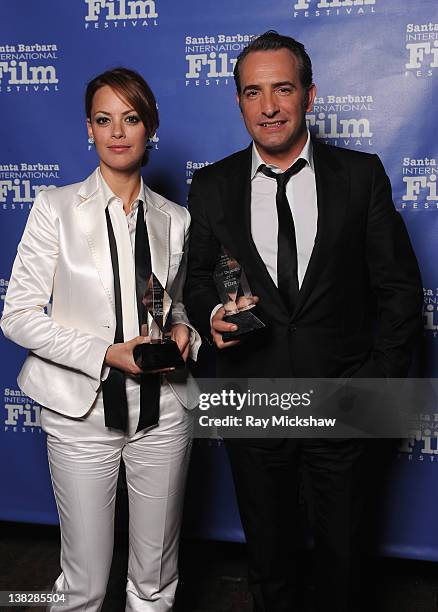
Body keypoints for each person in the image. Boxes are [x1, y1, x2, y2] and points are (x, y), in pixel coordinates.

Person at [184, 31, 423, 612]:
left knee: (344, 559)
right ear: (239, 102)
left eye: (282, 89)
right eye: (253, 92)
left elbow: (400, 292)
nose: (268, 106)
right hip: (249, 397)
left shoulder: (361, 175)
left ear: (310, 95)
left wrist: (373, 385)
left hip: (343, 396)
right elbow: (195, 282)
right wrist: (212, 314)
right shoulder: (212, 184)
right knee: (269, 558)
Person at [1, 67, 201, 611]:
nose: (117, 132)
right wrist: (105, 353)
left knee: (155, 578)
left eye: (131, 119)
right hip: (81, 412)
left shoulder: (176, 219)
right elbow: (17, 315)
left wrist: (184, 331)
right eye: (104, 119)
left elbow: (175, 302)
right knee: (84, 583)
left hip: (162, 413)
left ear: (149, 128)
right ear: (88, 129)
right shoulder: (55, 208)